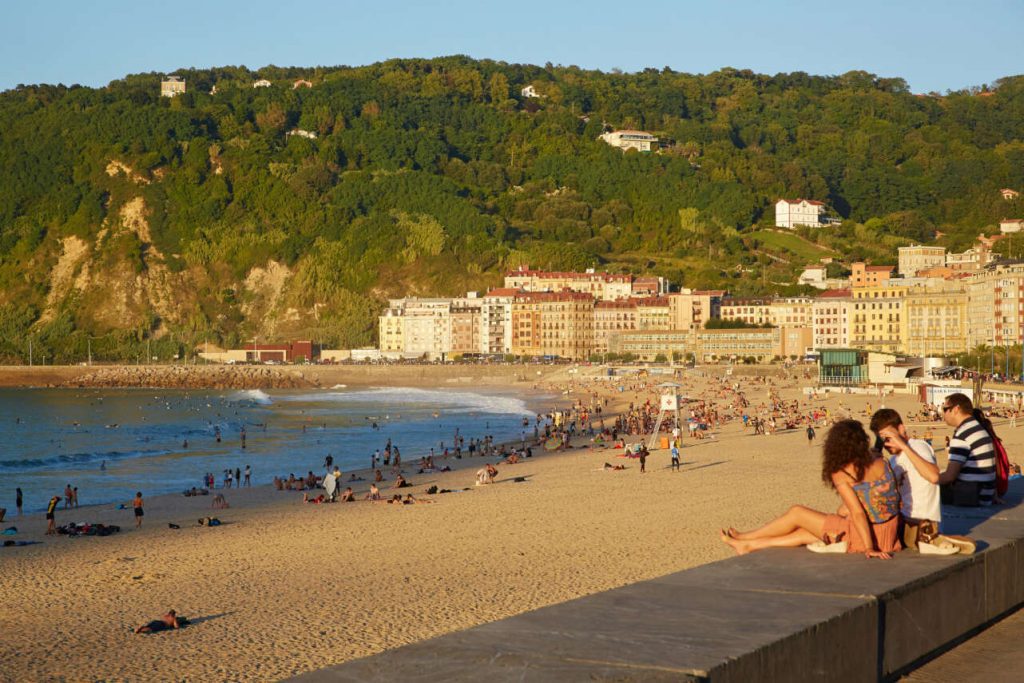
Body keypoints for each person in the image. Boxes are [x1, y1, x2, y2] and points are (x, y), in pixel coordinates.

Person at [720, 419, 900, 559]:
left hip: (866, 538)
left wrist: (869, 548)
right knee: (805, 533)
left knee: (797, 513)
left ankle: (746, 537)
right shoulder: (879, 460)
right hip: (890, 534)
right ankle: (749, 545)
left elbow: (858, 513)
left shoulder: (843, 473)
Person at [870, 409, 941, 549]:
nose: (886, 444)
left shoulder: (918, 446)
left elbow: (933, 476)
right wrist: (872, 463)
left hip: (922, 523)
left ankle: (934, 540)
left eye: (888, 438)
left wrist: (903, 446)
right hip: (904, 521)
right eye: (882, 440)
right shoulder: (893, 461)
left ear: (901, 429)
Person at [938, 393, 997, 507]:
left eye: (945, 409)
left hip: (973, 497)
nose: (943, 414)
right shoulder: (977, 427)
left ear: (956, 409)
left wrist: (927, 480)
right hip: (985, 493)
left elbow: (950, 476)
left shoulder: (962, 434)